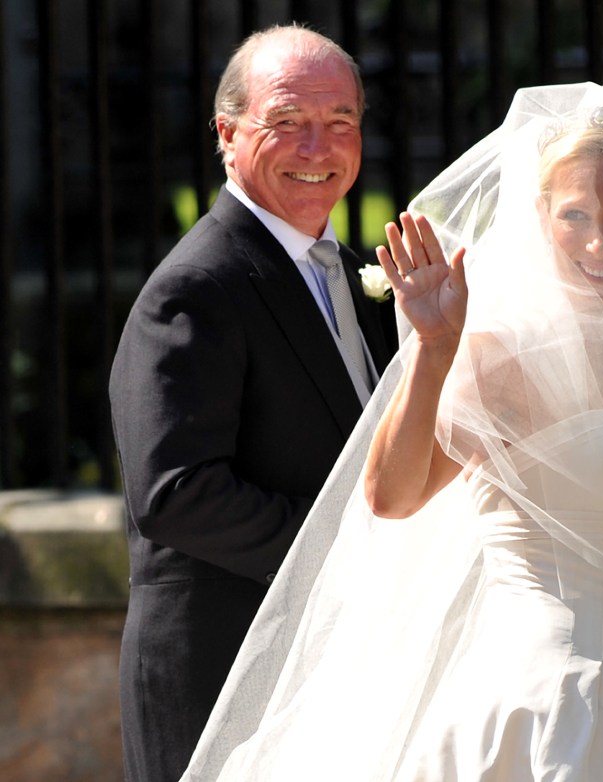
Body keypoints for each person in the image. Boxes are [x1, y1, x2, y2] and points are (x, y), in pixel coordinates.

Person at [180, 69, 603, 781]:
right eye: (575, 215)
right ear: (541, 219)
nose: (599, 242)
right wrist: (437, 351)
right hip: (537, 699)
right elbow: (393, 496)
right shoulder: (503, 357)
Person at [108, 24, 396, 782]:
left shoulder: (360, 278)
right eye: (288, 123)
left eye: (340, 123)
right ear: (228, 135)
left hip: (340, 672)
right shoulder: (194, 289)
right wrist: (347, 553)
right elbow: (175, 494)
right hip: (227, 679)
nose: (318, 148)